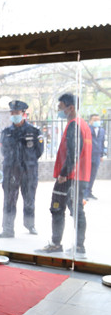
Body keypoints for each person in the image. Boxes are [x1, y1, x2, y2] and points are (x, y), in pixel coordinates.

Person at [39, 93, 92, 254]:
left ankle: (57, 244)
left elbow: (73, 152)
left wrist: (64, 173)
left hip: (69, 177)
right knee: (77, 210)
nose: (59, 110)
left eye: (60, 107)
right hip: (79, 176)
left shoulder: (74, 126)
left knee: (57, 208)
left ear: (71, 108)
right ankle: (79, 245)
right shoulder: (83, 125)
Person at [0, 100, 44, 238]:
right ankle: (7, 229)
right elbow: (3, 151)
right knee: (9, 199)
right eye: (12, 113)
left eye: (16, 112)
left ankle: (30, 224)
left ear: (23, 114)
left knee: (29, 198)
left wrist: (27, 162)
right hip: (11, 170)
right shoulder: (6, 132)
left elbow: (39, 151)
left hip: (29, 170)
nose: (14, 115)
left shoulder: (34, 132)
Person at [85, 113, 105, 200]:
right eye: (95, 120)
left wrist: (101, 155)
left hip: (97, 155)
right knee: (87, 174)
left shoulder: (102, 130)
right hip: (88, 155)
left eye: (98, 120)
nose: (97, 121)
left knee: (93, 175)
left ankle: (89, 192)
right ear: (90, 121)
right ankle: (84, 193)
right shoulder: (87, 129)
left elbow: (102, 142)